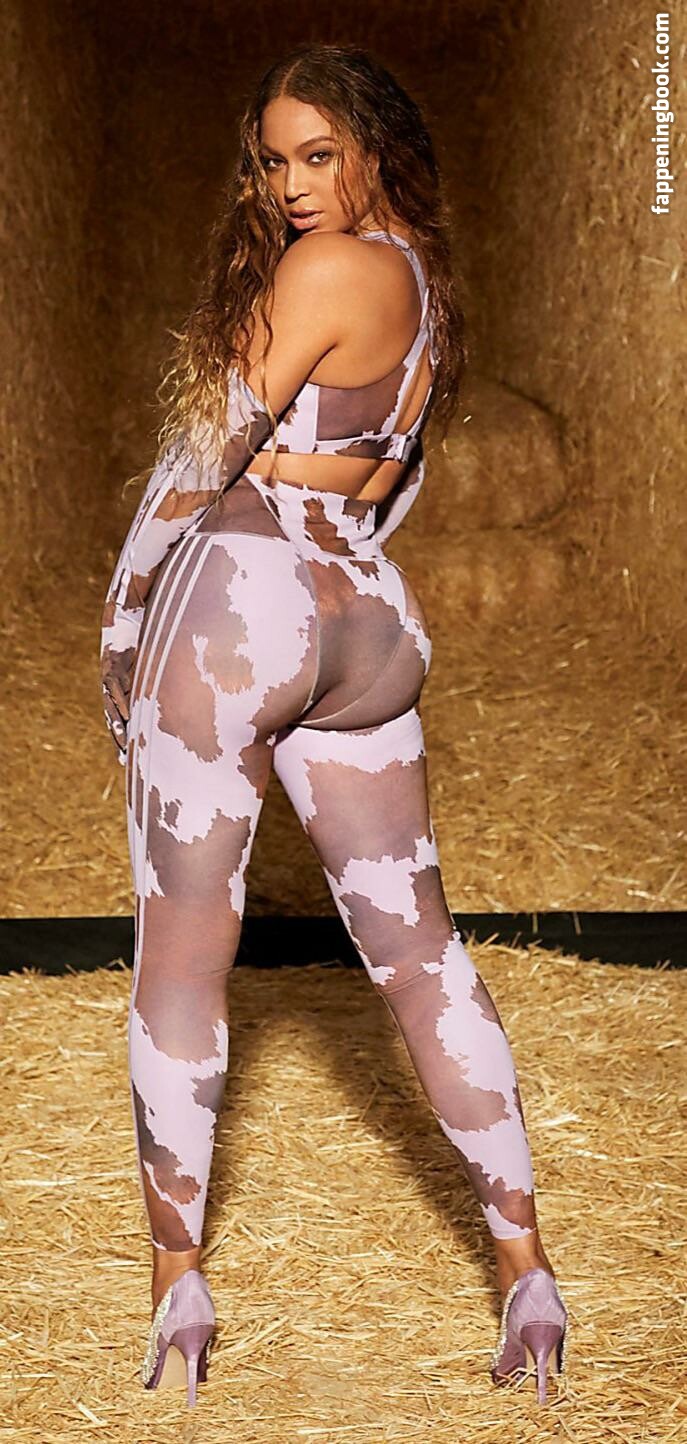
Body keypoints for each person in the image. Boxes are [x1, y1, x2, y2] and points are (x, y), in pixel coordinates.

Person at [100, 42, 568, 1410]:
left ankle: (178, 1284)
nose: (293, 186)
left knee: (184, 948)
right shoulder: (425, 284)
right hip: (370, 619)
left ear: (375, 144)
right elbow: (392, 486)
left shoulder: (317, 271)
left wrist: (124, 631)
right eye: (272, 162)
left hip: (239, 604)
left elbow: (199, 466)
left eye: (319, 155)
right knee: (422, 957)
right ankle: (526, 1271)